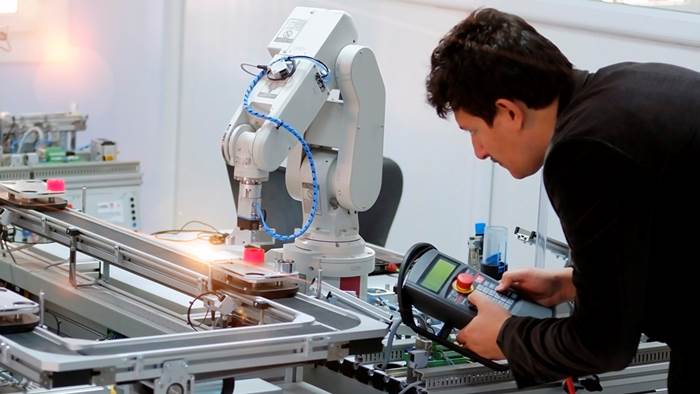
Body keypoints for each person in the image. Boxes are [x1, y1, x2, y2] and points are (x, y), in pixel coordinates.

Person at [425, 7, 697, 391]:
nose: (479, 152)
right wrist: (573, 283)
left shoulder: (583, 153)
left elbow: (604, 345)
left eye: (474, 131)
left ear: (507, 112)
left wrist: (506, 337)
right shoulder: (622, 87)